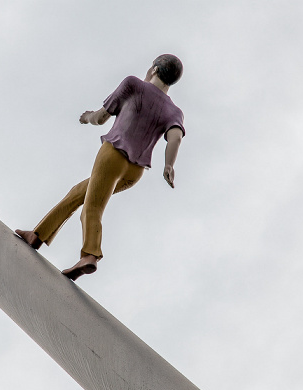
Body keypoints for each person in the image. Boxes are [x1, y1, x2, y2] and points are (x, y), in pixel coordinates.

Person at [16, 54, 185, 280]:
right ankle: (37, 235)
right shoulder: (174, 111)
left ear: (154, 69)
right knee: (78, 193)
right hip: (134, 173)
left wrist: (87, 117)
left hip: (113, 156)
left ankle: (90, 255)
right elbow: (174, 138)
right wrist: (169, 165)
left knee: (92, 208)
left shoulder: (134, 84)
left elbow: (102, 117)